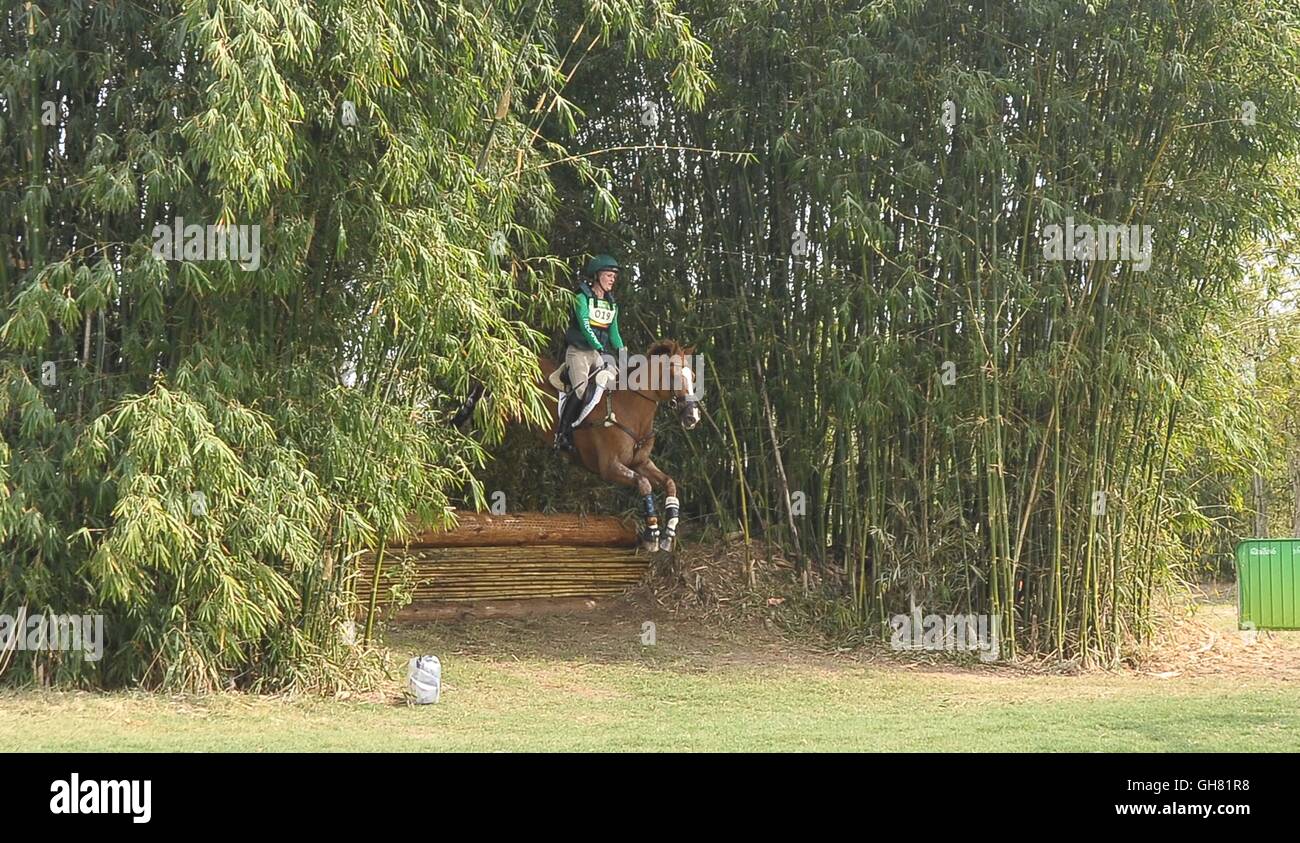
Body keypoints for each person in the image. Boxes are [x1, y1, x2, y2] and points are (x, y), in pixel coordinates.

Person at [554, 254, 625, 450]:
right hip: (579, 351)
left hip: (598, 353)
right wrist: (600, 348)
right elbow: (585, 327)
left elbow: (614, 333)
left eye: (614, 276)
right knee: (581, 390)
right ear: (597, 275)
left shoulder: (611, 304)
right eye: (609, 275)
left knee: (617, 384)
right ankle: (562, 433)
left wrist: (625, 355)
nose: (612, 279)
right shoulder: (581, 297)